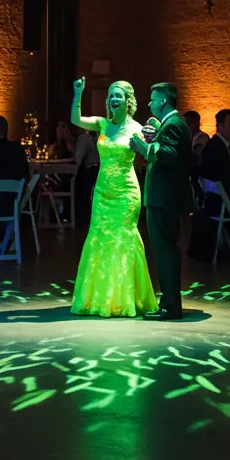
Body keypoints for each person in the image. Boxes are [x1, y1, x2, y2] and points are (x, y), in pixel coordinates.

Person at [70, 77, 157, 318]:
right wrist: (78, 94)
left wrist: (154, 135)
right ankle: (99, 298)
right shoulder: (102, 125)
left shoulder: (136, 128)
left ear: (128, 101)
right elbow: (75, 119)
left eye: (118, 95)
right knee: (99, 238)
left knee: (122, 239)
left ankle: (125, 298)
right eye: (111, 96)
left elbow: (150, 155)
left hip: (126, 192)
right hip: (102, 192)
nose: (113, 99)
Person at [131, 82, 194, 321]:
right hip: (164, 198)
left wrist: (143, 146)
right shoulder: (172, 124)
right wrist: (154, 137)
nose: (149, 103)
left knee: (165, 252)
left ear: (163, 101)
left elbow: (170, 156)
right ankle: (168, 302)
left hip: (164, 198)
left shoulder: (174, 124)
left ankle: (170, 306)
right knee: (165, 251)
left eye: (152, 98)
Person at [200, 108, 230, 212]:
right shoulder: (216, 148)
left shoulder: (220, 144)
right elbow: (226, 178)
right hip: (222, 206)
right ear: (220, 126)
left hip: (219, 203)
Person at [73, 127, 100, 229]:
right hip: (96, 170)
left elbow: (77, 159)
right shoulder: (90, 138)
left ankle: (80, 220)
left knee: (78, 186)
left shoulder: (83, 138)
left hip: (90, 170)